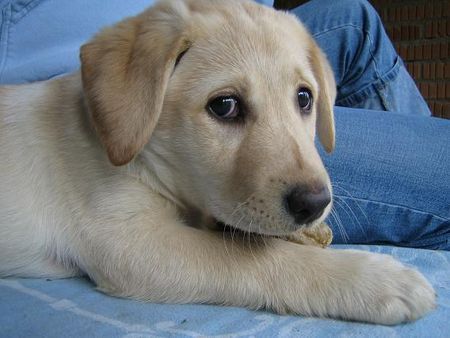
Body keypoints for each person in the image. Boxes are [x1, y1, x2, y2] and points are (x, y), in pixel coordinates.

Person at [0, 0, 448, 249]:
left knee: (355, 19)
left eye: (305, 100)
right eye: (227, 108)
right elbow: (127, 249)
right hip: (132, 55)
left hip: (237, 24)